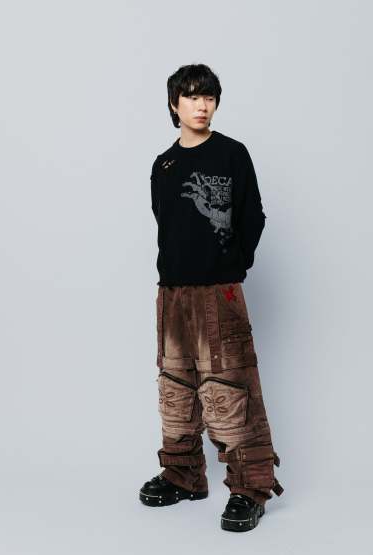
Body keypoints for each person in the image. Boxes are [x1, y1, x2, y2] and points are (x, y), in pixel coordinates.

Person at [139, 63, 284, 532]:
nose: (202, 105)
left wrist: (231, 267)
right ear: (174, 104)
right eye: (192, 96)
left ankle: (250, 488)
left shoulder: (231, 154)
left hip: (218, 293)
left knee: (230, 388)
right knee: (175, 387)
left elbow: (253, 216)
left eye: (209, 97)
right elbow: (165, 223)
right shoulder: (163, 164)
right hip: (171, 294)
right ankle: (182, 475)